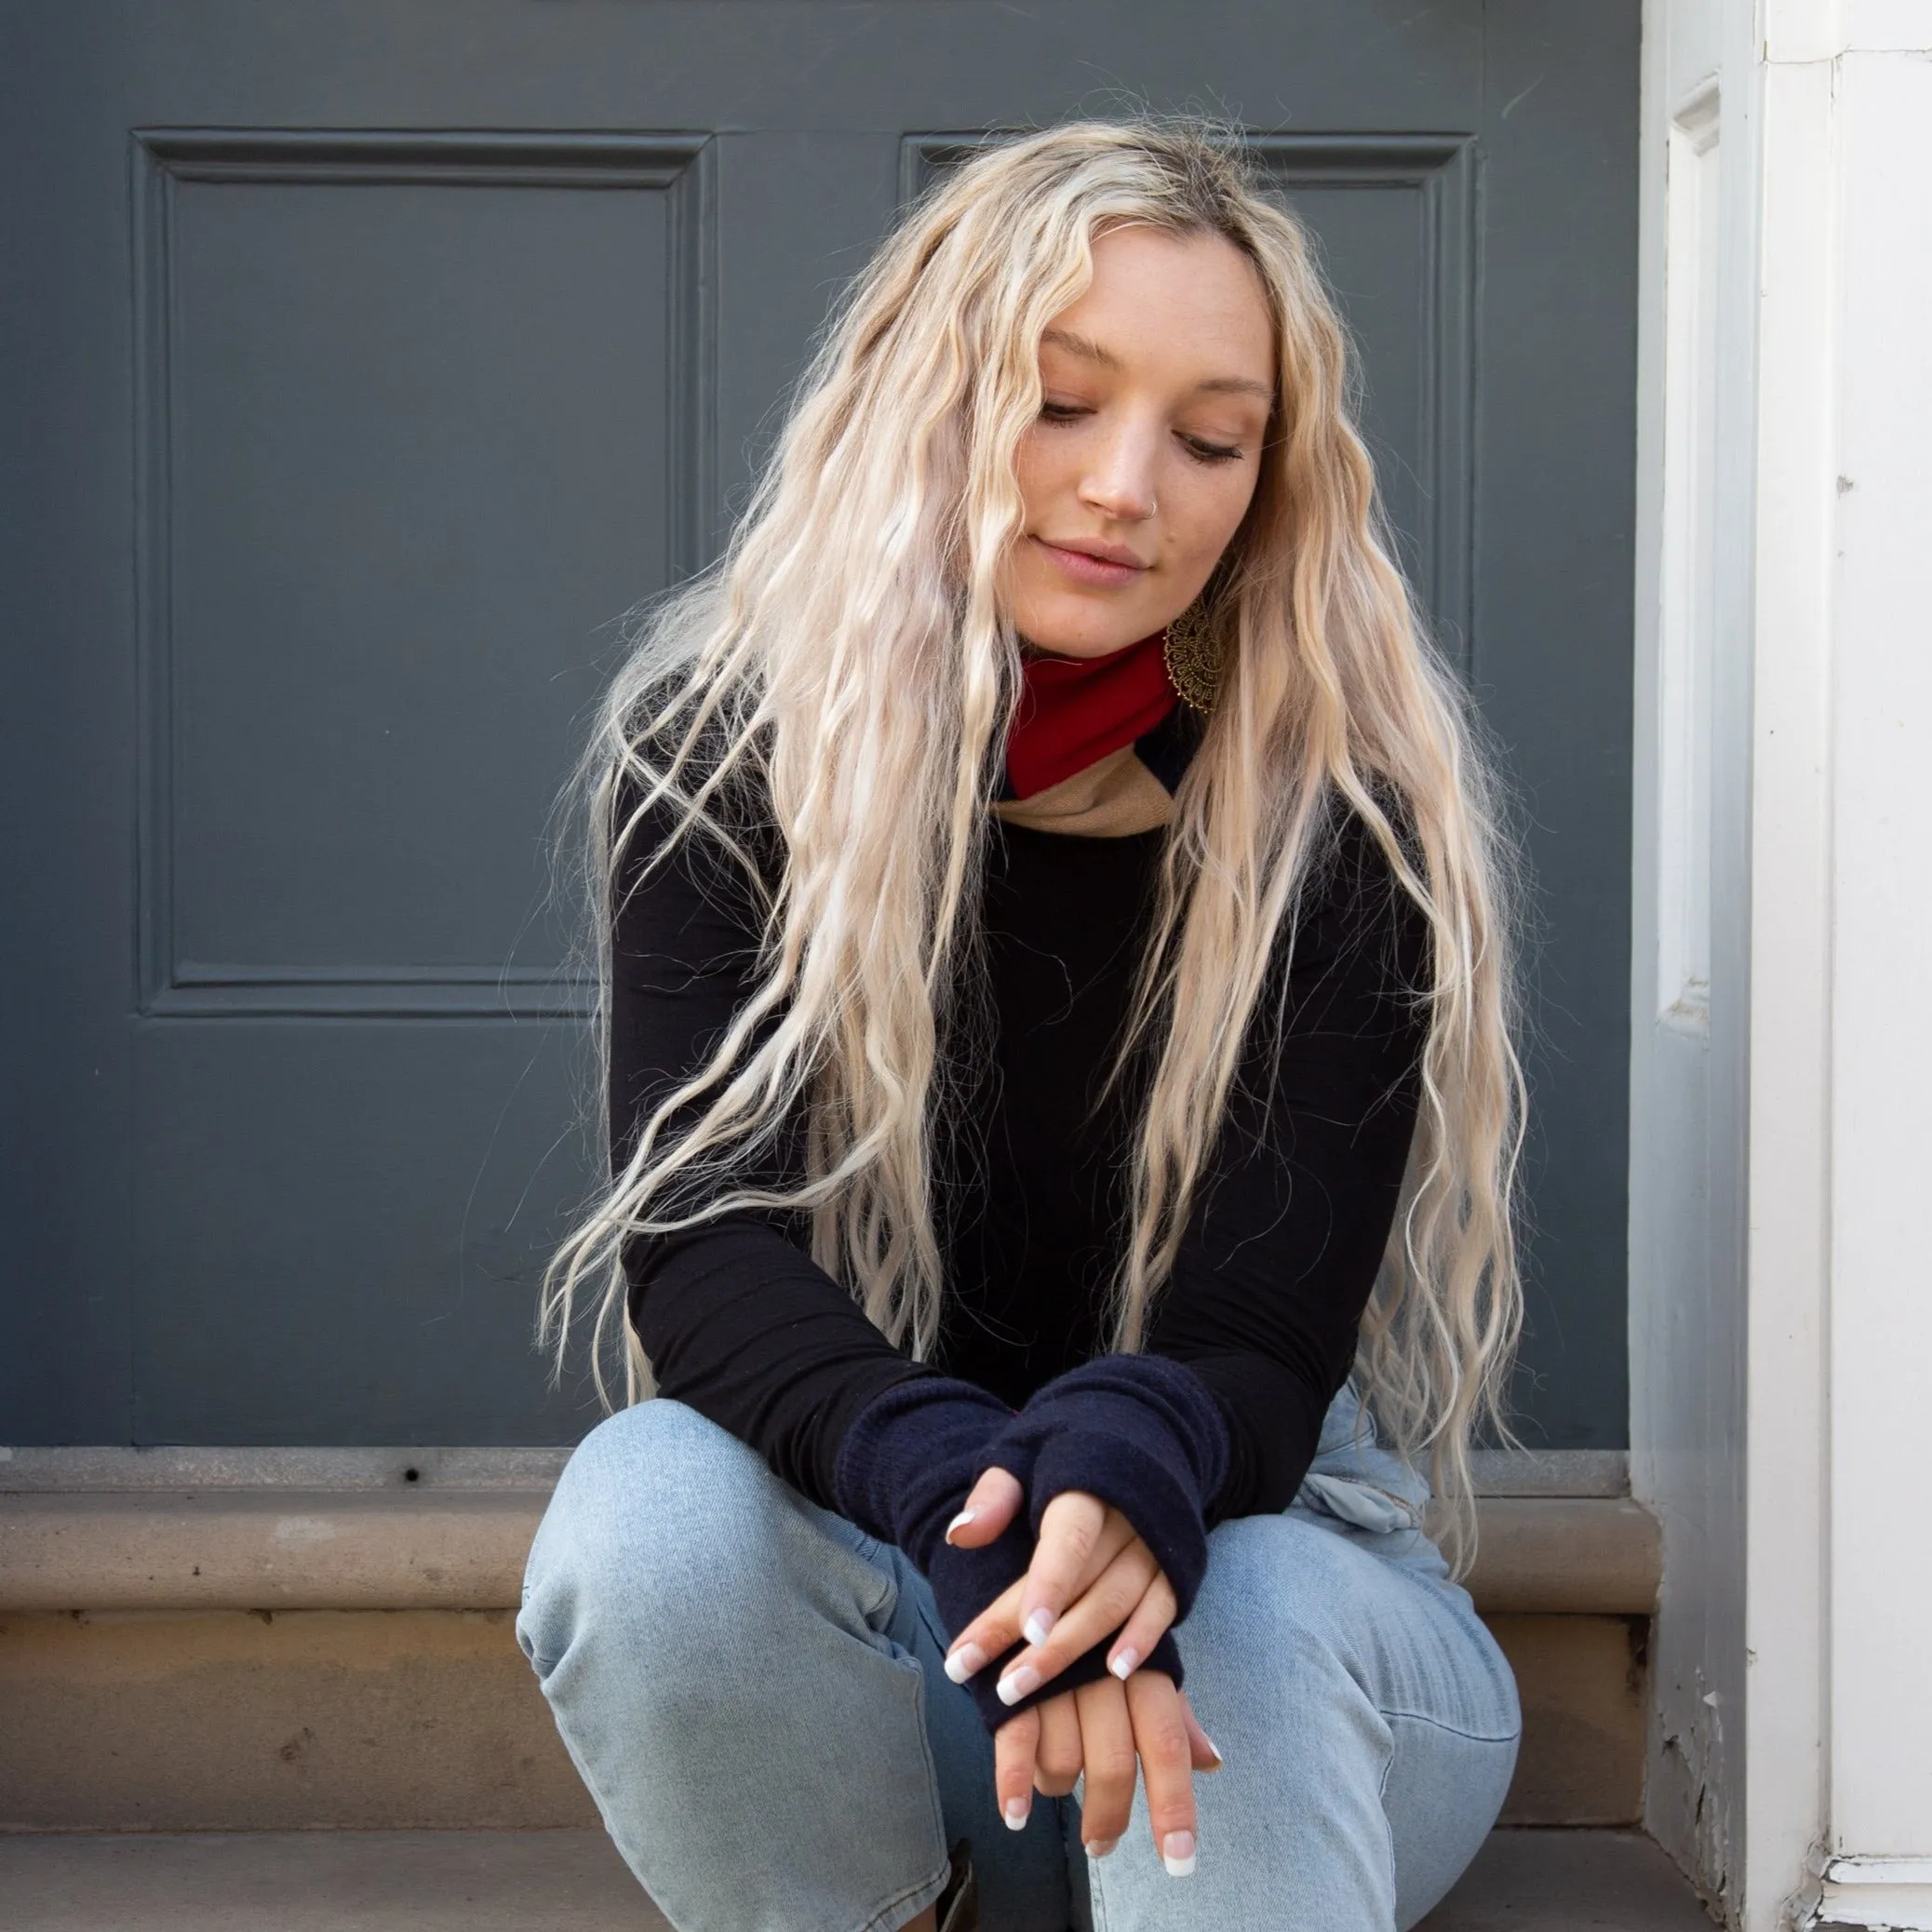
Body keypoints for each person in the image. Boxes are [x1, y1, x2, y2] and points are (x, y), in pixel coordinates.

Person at [517, 118, 1527, 1932]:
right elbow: (708, 1252)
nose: (1130, 484)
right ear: (931, 399)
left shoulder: (1333, 822)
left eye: (1210, 438)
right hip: (907, 1645)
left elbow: (1258, 1335)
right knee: (645, 1516)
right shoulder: (724, 759)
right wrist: (989, 1507)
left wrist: (1132, 1508)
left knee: (1250, 1616)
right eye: (1063, 402)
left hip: (1273, 1614)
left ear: (1268, 479)